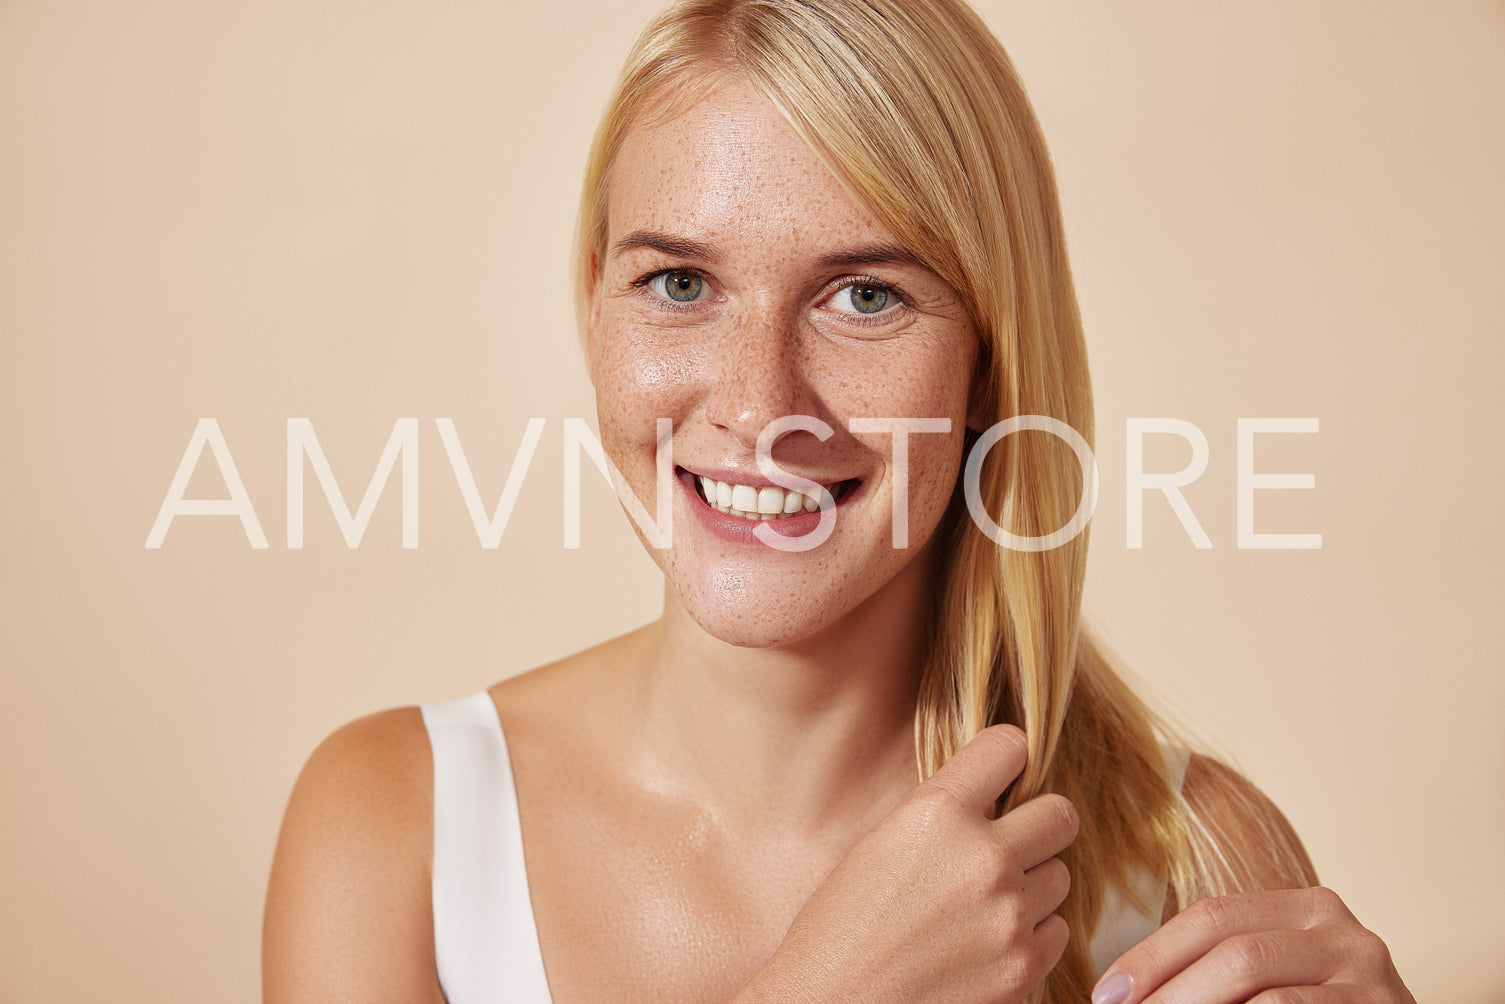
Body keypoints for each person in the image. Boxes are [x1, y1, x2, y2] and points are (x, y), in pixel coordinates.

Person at [262, 1, 1417, 1001]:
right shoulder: (392, 829)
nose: (760, 406)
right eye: (677, 282)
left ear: (986, 368)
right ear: (593, 304)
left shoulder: (1193, 858)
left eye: (864, 295)